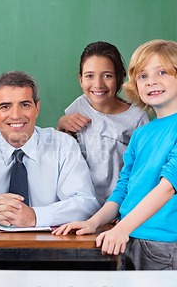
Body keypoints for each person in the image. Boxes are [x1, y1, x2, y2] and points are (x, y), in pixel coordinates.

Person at [52, 40, 177, 271]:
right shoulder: (142, 133)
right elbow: (122, 190)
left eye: (162, 72)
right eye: (143, 76)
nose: (152, 81)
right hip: (124, 240)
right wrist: (93, 223)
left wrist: (122, 228)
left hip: (160, 246)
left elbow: (167, 187)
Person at [0, 71, 100, 227]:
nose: (15, 115)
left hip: (50, 251)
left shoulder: (63, 145)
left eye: (24, 104)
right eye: (5, 106)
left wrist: (34, 217)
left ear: (37, 108)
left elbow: (86, 202)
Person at [57, 41, 149, 205]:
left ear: (120, 78)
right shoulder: (78, 106)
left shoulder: (137, 118)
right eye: (89, 76)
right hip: (80, 206)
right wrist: (62, 123)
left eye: (107, 75)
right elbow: (62, 151)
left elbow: (142, 173)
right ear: (80, 79)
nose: (98, 84)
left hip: (119, 207)